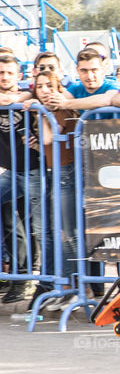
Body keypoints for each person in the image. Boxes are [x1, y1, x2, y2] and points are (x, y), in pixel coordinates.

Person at [25, 70, 79, 308]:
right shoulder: (47, 110)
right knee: (62, 233)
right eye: (40, 87)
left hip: (66, 174)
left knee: (68, 234)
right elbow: (46, 146)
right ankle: (69, 285)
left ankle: (72, 286)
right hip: (55, 173)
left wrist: (41, 111)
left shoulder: (57, 108)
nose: (45, 90)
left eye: (49, 86)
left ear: (58, 87)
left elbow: (49, 138)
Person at [0, 54, 36, 303]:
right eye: (0, 73)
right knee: (11, 225)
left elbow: (35, 96)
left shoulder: (29, 97)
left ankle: (23, 280)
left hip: (31, 170)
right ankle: (15, 278)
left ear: (19, 75)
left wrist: (20, 97)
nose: (4, 77)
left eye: (9, 72)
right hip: (6, 171)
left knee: (30, 226)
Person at [45, 47, 119, 113]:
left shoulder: (114, 85)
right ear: (77, 70)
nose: (89, 76)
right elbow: (55, 103)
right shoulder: (76, 88)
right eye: (84, 70)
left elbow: (108, 99)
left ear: (102, 69)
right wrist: (36, 102)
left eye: (94, 70)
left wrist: (66, 104)